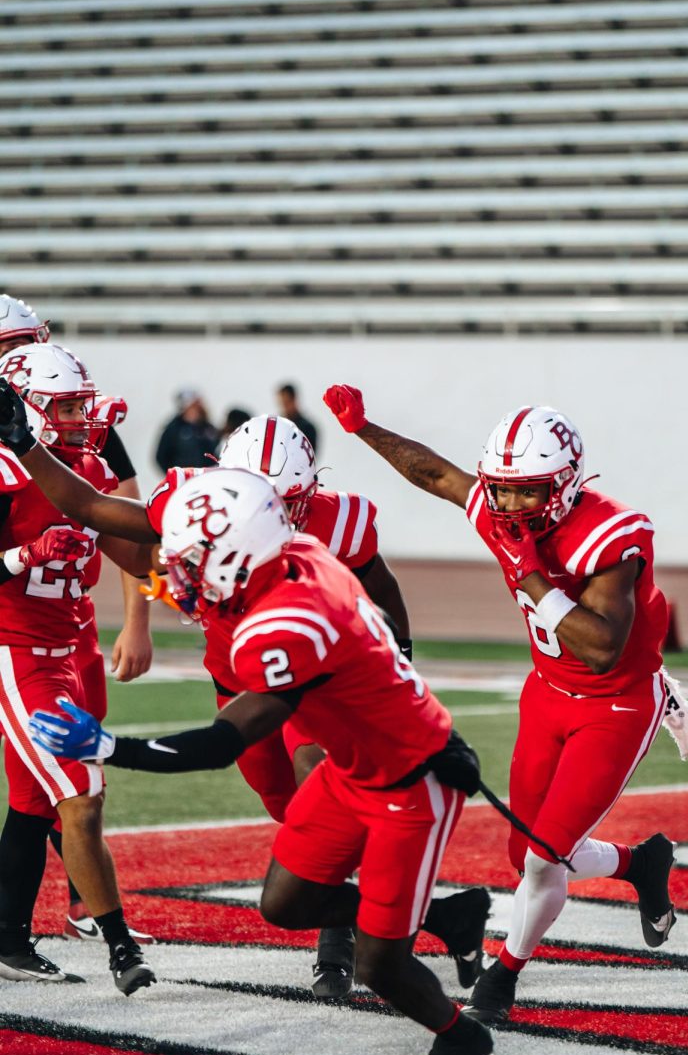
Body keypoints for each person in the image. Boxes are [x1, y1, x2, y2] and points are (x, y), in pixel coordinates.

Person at [30, 468, 494, 1055]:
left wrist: (113, 747)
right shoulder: (296, 552)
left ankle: (462, 1035)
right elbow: (371, 623)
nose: (177, 572)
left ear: (239, 559)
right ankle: (445, 917)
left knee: (378, 964)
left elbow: (224, 742)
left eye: (194, 561)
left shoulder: (283, 626)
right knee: (285, 903)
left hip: (411, 781)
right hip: (354, 765)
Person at [0, 399, 421, 1001]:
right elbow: (94, 508)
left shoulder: (334, 529)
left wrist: (399, 657)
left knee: (314, 785)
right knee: (282, 801)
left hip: (309, 677)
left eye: (283, 501)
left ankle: (339, 942)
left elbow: (380, 584)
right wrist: (28, 445)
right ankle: (399, 909)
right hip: (238, 678)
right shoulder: (195, 502)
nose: (266, 514)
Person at [323, 385, 688, 1026]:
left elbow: (603, 648)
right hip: (547, 695)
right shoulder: (499, 508)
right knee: (525, 857)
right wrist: (363, 429)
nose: (513, 503)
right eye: (504, 489)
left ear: (568, 485)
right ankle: (641, 862)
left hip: (617, 705)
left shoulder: (611, 535)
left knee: (546, 858)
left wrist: (530, 575)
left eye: (530, 490)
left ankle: (502, 977)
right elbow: (434, 472)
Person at [0, 343, 156, 995]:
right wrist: (25, 555)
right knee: (78, 793)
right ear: (29, 409)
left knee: (38, 803)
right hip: (18, 650)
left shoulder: (86, 466)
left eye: (77, 403)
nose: (76, 416)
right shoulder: (6, 471)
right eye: (62, 405)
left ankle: (9, 939)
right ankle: (120, 947)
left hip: (72, 647)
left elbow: (134, 550)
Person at [154, 389, 218, 472]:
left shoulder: (208, 428)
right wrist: (175, 475)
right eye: (194, 405)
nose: (199, 407)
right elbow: (161, 457)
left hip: (206, 478)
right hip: (185, 480)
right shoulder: (174, 429)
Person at [276, 383, 318, 452]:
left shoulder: (308, 428)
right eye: (281, 403)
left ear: (294, 399)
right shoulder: (278, 426)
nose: (284, 407)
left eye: (286, 402)